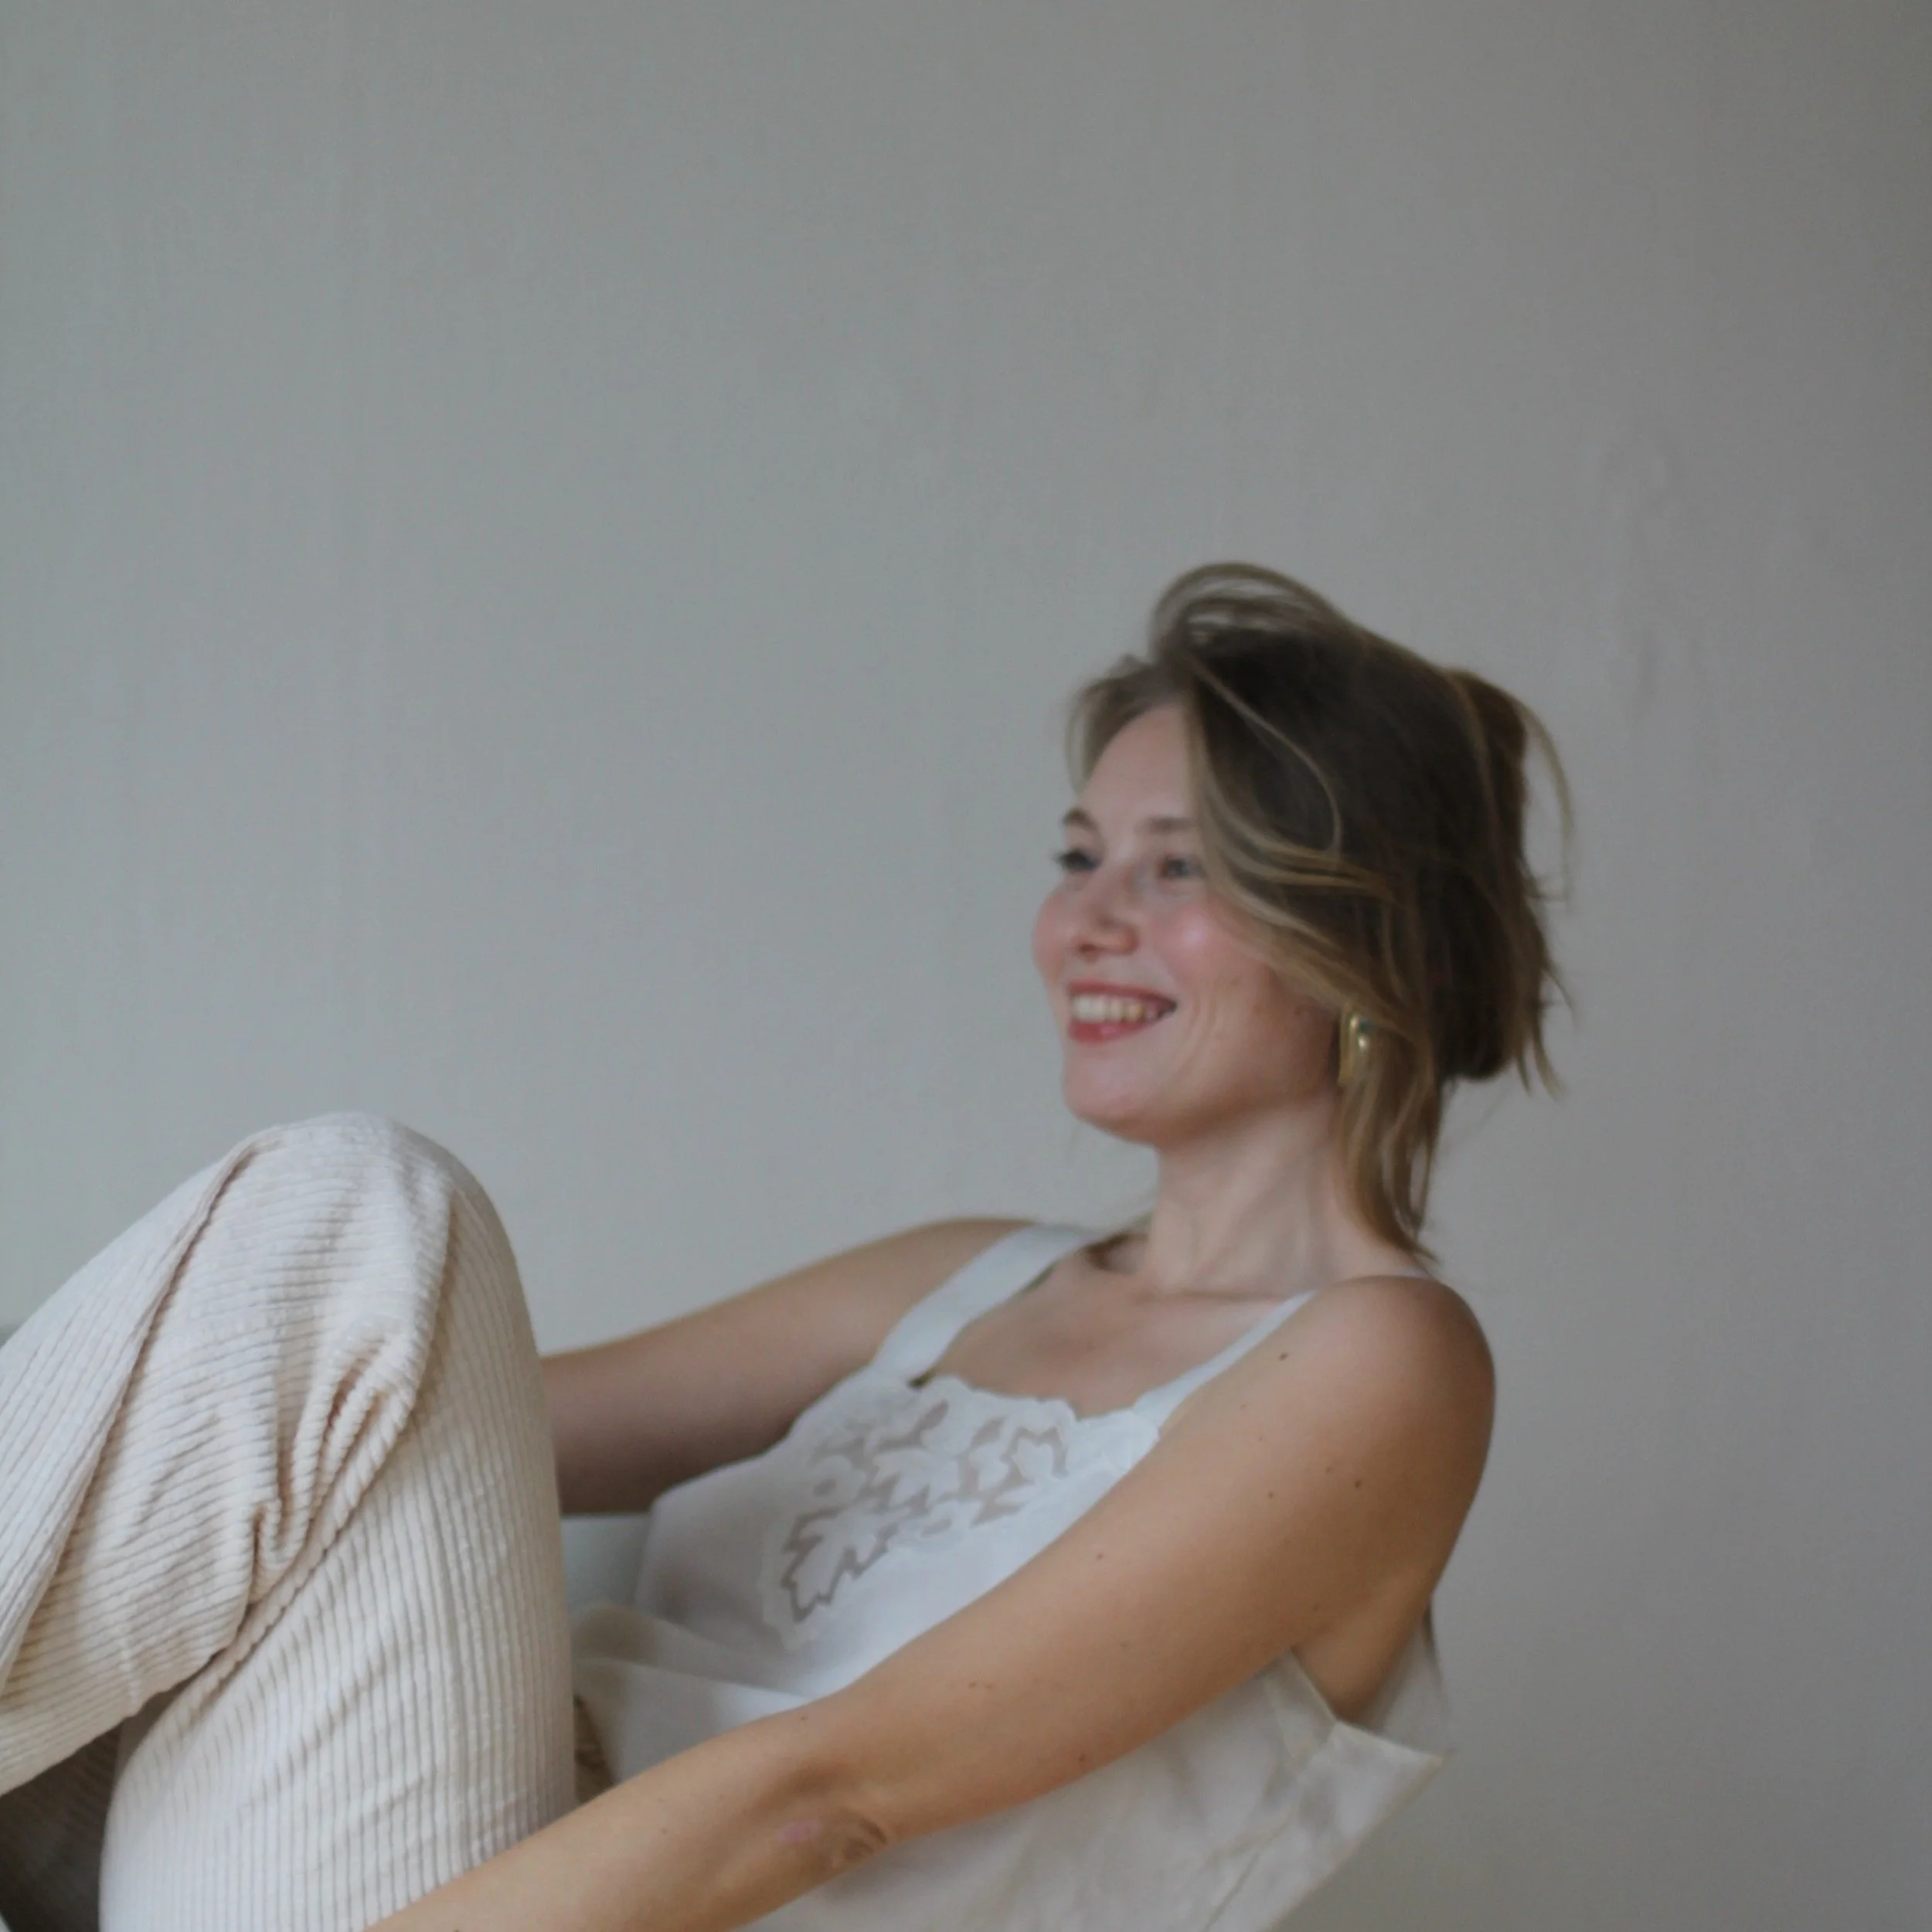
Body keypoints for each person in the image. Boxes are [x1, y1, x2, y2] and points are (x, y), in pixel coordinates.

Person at [0, 563, 1563, 1932]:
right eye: (1077, 853)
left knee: (358, 1202)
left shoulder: (1381, 1362)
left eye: (1178, 866)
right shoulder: (959, 1276)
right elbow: (335, 1416)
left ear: (1379, 938)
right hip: (365, 1828)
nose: (1085, 920)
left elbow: (831, 1794)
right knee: (332, 1270)